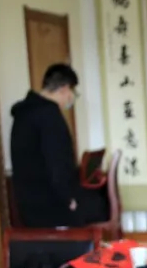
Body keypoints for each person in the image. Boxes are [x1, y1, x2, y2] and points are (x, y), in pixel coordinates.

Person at [9, 63, 108, 228]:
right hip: (51, 206)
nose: (71, 98)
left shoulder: (24, 113)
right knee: (97, 205)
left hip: (29, 204)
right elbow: (57, 163)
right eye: (72, 92)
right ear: (64, 88)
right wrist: (69, 199)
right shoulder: (49, 116)